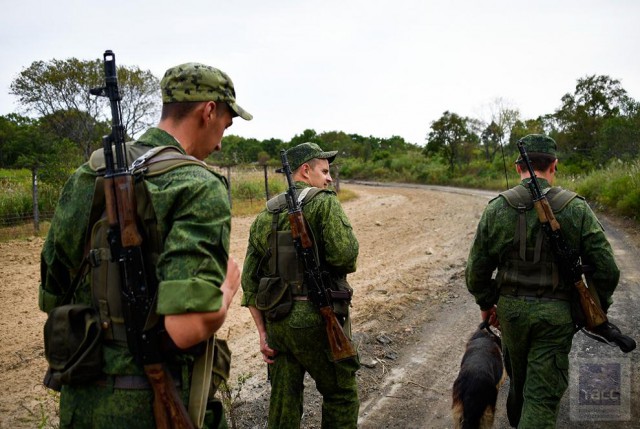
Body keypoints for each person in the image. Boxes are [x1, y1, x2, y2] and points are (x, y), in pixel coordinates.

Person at [39, 62, 252, 428]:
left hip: (80, 402)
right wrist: (228, 289)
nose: (219, 142)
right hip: (150, 404)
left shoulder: (87, 173)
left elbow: (51, 295)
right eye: (225, 127)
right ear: (209, 110)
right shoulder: (197, 185)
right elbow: (186, 328)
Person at [465, 134, 620, 428]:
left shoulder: (497, 208)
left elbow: (476, 270)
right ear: (554, 165)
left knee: (521, 384)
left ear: (518, 165)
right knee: (541, 397)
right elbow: (607, 268)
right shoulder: (576, 208)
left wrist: (487, 304)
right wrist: (596, 308)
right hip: (556, 316)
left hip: (511, 314)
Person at [241, 142, 360, 429]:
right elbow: (345, 256)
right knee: (341, 394)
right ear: (305, 171)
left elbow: (249, 284)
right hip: (317, 319)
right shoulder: (325, 202)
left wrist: (262, 333)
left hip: (278, 324)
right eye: (324, 170)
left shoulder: (264, 216)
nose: (329, 178)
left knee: (283, 402)